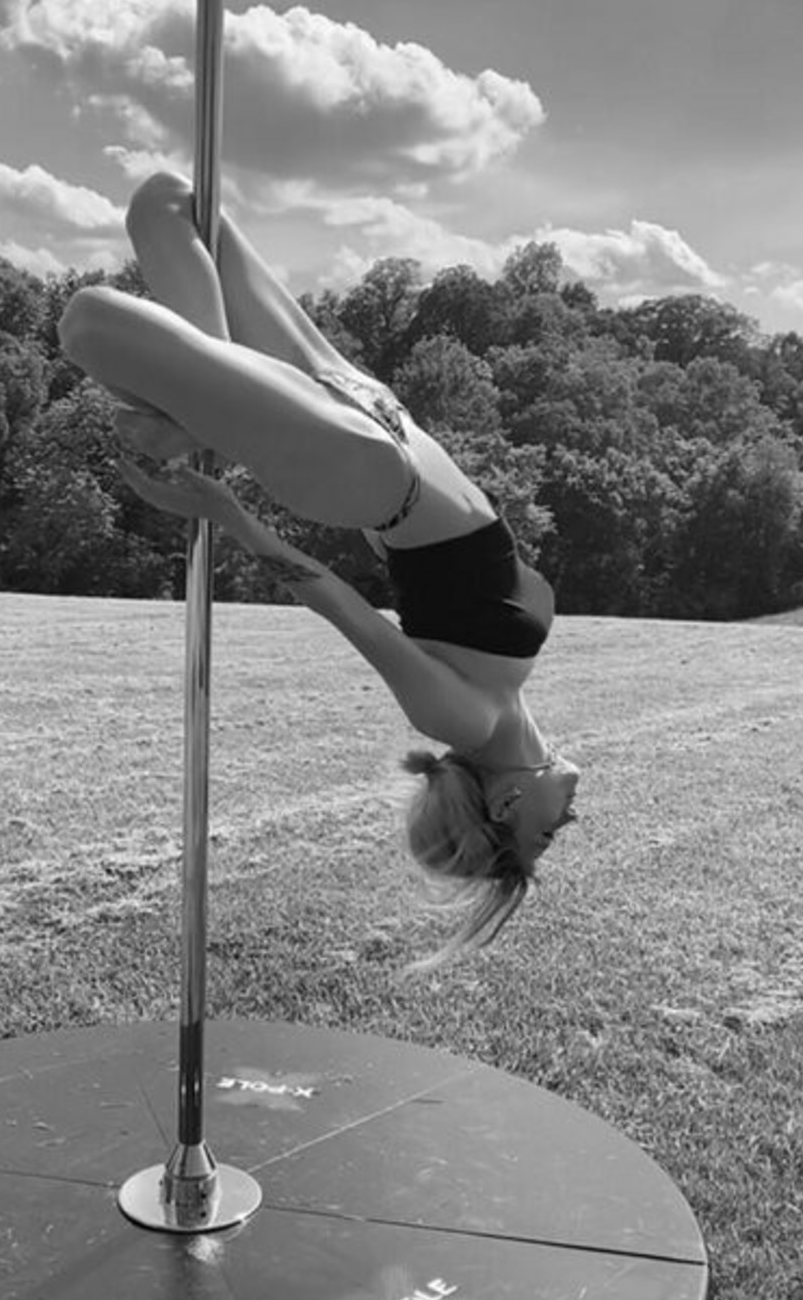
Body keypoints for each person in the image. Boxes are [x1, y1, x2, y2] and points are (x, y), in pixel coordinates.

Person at [58, 170, 580, 959]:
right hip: (374, 409)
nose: (566, 821)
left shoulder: (464, 720)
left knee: (87, 321)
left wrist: (232, 517)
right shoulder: (508, 692)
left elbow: (344, 607)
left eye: (546, 836)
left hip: (362, 467)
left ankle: (197, 409)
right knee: (167, 201)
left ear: (507, 807)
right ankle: (191, 412)